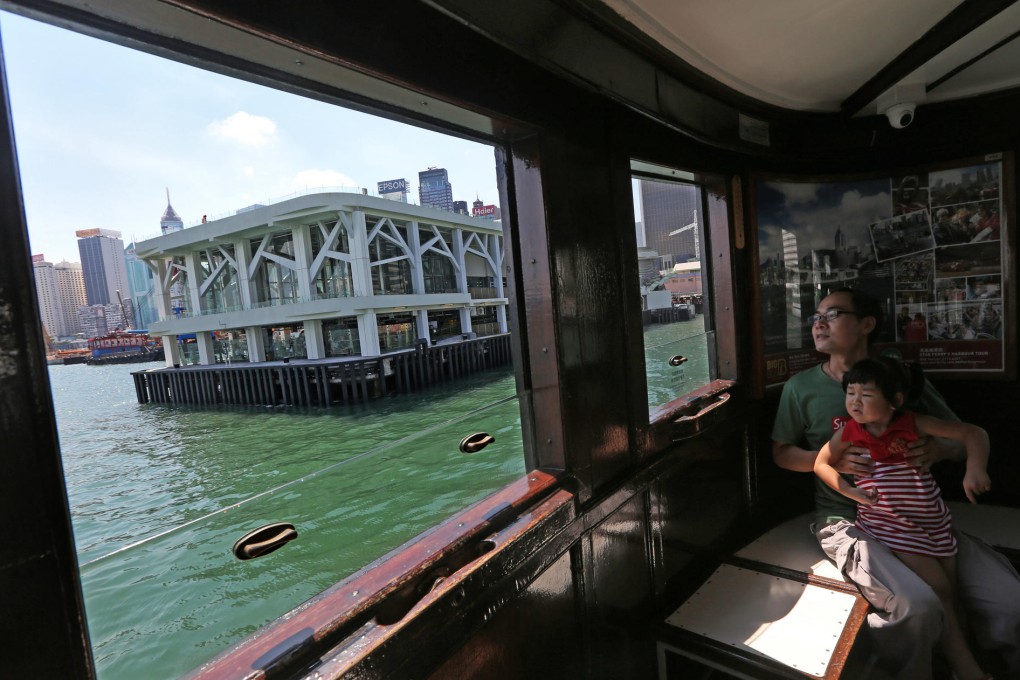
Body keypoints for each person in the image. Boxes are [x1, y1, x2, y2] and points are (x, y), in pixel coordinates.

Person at [772, 287, 1020, 679]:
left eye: (832, 314)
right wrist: (833, 460)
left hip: (916, 519)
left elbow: (959, 440)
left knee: (1010, 601)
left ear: (867, 324)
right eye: (815, 316)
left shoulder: (895, 379)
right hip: (848, 519)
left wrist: (937, 451)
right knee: (919, 608)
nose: (818, 323)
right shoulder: (800, 388)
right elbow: (783, 453)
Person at [814, 356, 993, 680]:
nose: (854, 401)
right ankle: (969, 670)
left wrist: (974, 470)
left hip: (932, 522)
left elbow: (973, 433)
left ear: (895, 400)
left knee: (951, 592)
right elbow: (821, 463)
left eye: (865, 394)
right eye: (850, 392)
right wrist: (851, 493)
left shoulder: (913, 423)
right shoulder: (852, 431)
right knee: (938, 588)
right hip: (891, 526)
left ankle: (954, 659)